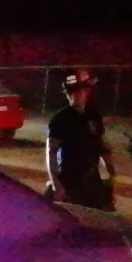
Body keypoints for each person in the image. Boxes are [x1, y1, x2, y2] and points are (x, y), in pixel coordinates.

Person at [44, 71, 117, 210]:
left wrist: (111, 172)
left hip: (91, 177)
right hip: (69, 178)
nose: (74, 96)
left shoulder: (93, 115)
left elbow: (101, 144)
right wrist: (56, 184)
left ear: (86, 92)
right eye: (70, 93)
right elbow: (51, 153)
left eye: (78, 92)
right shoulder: (61, 119)